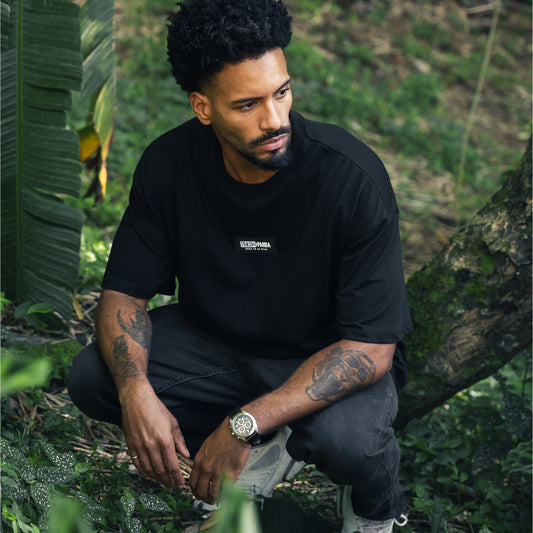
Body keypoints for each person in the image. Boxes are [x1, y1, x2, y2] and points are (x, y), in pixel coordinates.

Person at [66, 0, 413, 531]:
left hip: (327, 352)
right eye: (248, 105)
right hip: (219, 348)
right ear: (203, 108)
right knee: (96, 376)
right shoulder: (169, 164)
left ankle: (373, 506)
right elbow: (123, 294)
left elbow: (370, 349)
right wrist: (137, 393)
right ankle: (258, 448)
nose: (275, 120)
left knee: (350, 443)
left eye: (281, 92)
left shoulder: (351, 179)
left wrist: (243, 424)